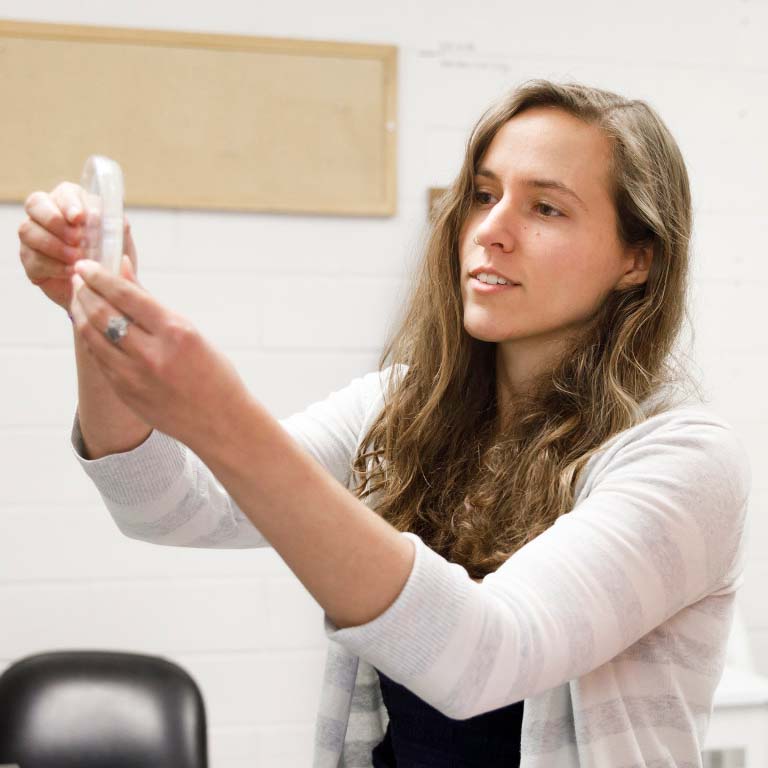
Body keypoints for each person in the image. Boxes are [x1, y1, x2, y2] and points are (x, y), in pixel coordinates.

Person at [18, 78, 751, 767]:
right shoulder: (402, 409)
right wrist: (94, 315)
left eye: (546, 208)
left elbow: (483, 656)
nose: (490, 231)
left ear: (637, 259)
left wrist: (219, 416)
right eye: (484, 195)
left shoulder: (683, 459)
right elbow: (166, 508)